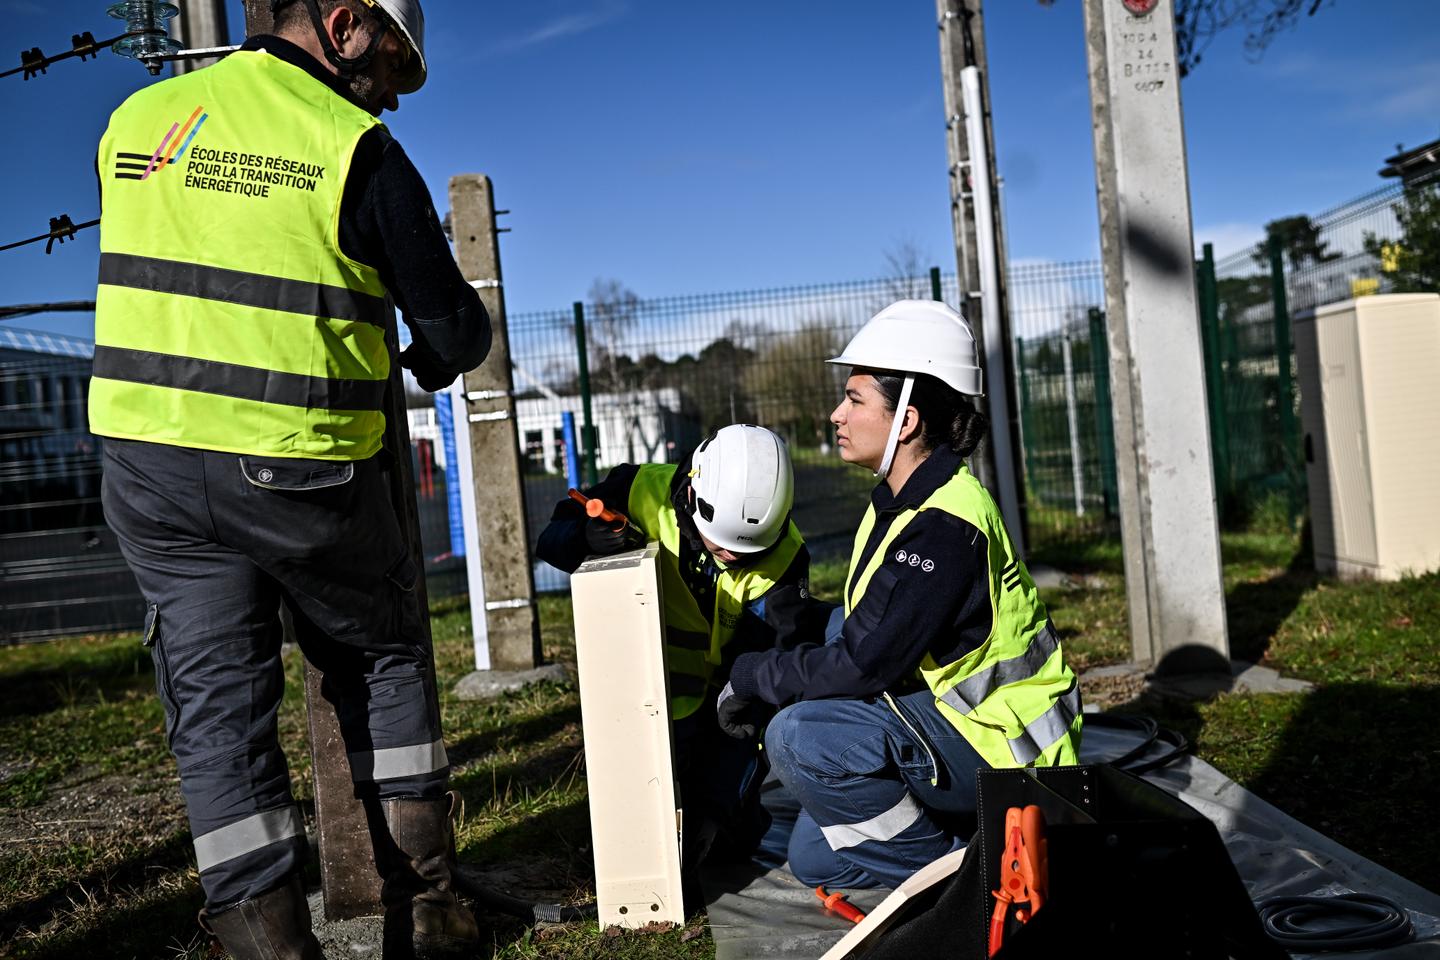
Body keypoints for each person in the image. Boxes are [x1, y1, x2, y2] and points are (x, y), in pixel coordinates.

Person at [90, 1, 488, 956]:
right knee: (380, 654)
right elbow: (451, 329)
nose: (393, 92)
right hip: (297, 465)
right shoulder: (355, 148)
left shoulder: (139, 122)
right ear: (345, 22)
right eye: (394, 60)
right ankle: (426, 911)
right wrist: (429, 353)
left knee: (218, 707)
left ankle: (267, 943)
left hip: (149, 468)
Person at [716, 300, 1082, 890]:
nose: (836, 414)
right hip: (963, 724)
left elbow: (864, 662)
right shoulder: (905, 499)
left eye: (855, 400)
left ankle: (969, 885)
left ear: (906, 420)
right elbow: (866, 623)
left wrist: (755, 676)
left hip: (1010, 752)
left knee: (799, 737)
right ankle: (970, 838)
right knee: (816, 857)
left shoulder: (942, 525)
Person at [536, 424, 831, 870]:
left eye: (748, 551)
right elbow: (550, 539)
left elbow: (763, 693)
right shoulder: (638, 490)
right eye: (723, 545)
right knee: (634, 829)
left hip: (719, 706)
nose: (732, 558)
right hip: (635, 700)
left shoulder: (785, 558)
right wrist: (586, 539)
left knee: (729, 843)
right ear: (692, 496)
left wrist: (715, 808)